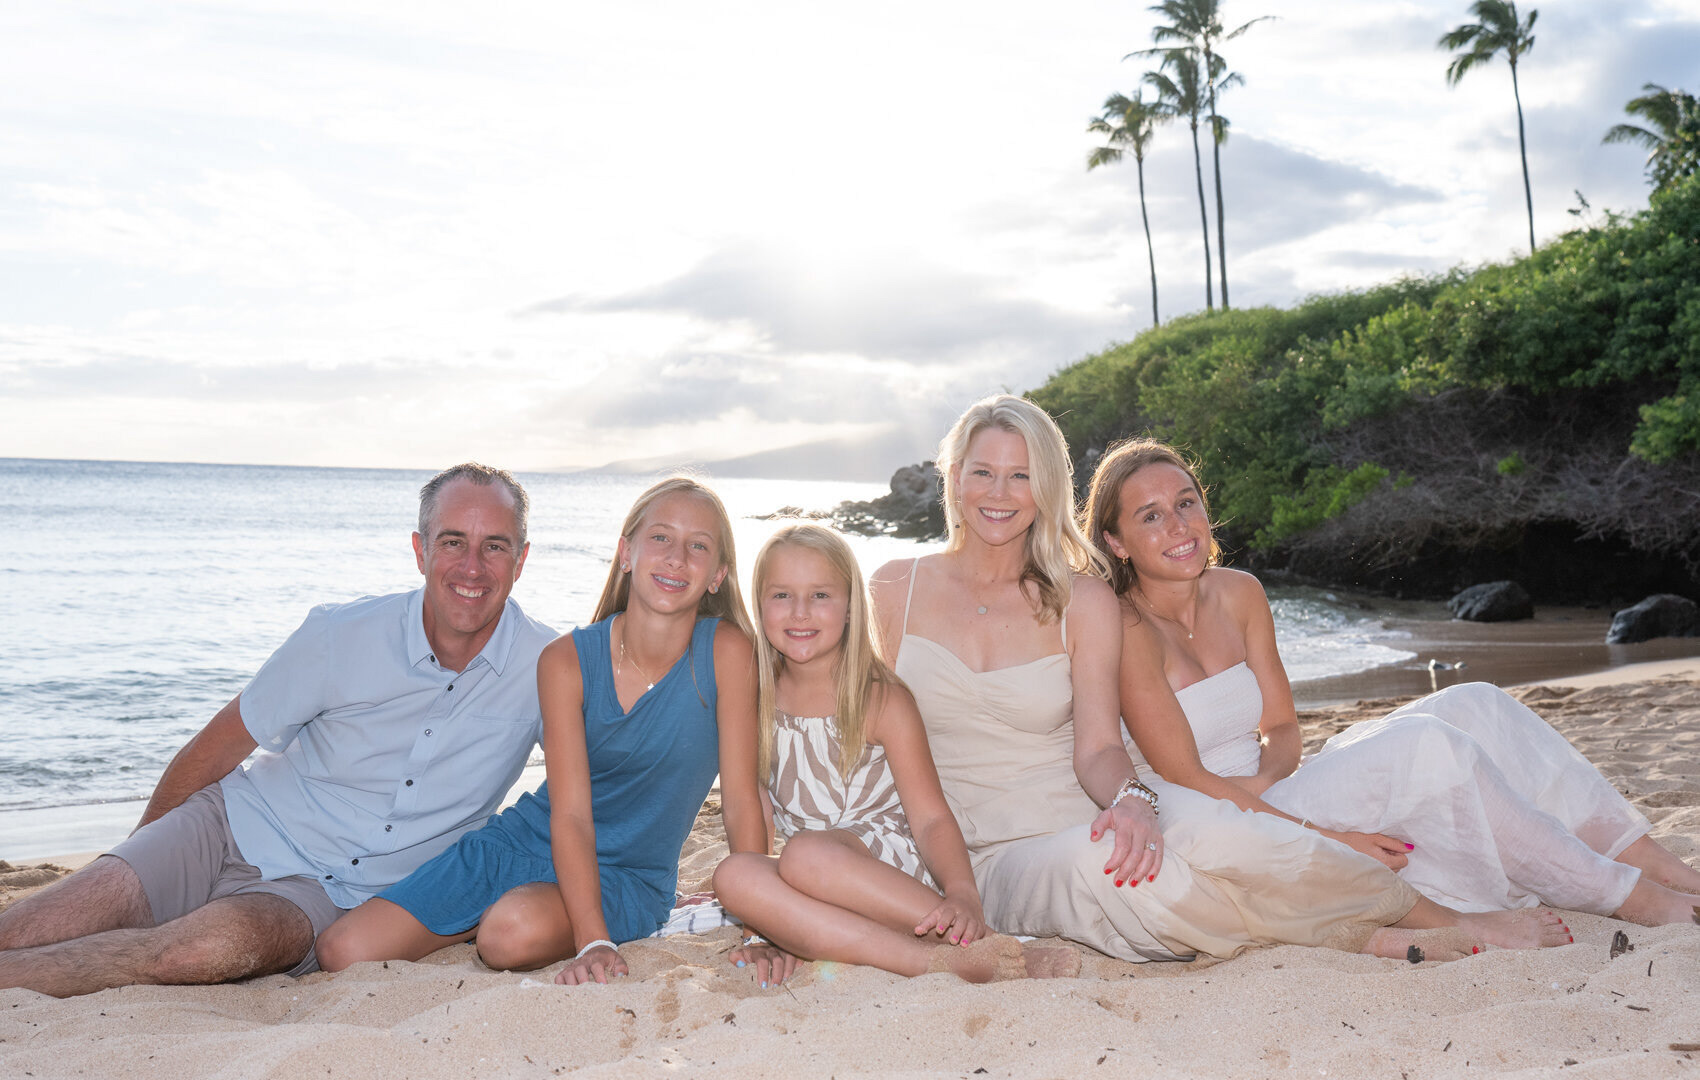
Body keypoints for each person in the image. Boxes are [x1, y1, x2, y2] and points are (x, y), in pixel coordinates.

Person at [869, 394, 1572, 964]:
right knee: (1129, 876)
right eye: (981, 471)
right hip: (986, 856)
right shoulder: (892, 589)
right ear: (952, 476)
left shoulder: (1080, 600)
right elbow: (861, 740)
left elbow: (1096, 748)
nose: (999, 492)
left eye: (1020, 474)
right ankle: (1360, 934)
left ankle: (1438, 917)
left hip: (1092, 810)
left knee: (1222, 828)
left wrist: (1136, 799)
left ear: (1046, 487)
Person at [1084, 437, 1700, 927]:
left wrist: (1270, 777)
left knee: (1475, 703)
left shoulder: (1240, 592)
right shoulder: (1128, 629)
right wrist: (1327, 836)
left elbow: (1281, 727)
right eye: (1152, 516)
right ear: (1116, 541)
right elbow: (1187, 776)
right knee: (1424, 744)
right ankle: (1620, 894)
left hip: (1278, 791)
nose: (1180, 525)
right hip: (1220, 822)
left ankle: (1649, 858)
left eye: (1186, 502)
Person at [0, 463, 555, 997]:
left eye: (495, 545)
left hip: (327, 898)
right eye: (453, 541)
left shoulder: (549, 668)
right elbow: (215, 748)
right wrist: (143, 855)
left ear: (522, 559)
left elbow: (602, 787)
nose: (472, 567)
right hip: (227, 825)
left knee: (192, 953)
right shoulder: (340, 635)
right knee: (29, 928)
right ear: (421, 550)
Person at [315, 477, 771, 985]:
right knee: (343, 950)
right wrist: (595, 940)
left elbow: (741, 799)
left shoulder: (728, 654)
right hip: (525, 841)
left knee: (507, 935)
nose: (676, 557)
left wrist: (759, 928)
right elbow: (571, 814)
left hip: (627, 877)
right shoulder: (565, 660)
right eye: (661, 537)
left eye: (698, 546)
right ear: (626, 553)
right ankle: (483, 914)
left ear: (718, 574)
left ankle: (523, 915)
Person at [713, 524, 1077, 982]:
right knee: (733, 876)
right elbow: (751, 805)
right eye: (782, 595)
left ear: (850, 608)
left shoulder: (879, 699)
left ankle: (979, 943)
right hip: (810, 879)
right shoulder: (757, 695)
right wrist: (758, 931)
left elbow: (930, 818)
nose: (800, 612)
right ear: (759, 604)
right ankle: (931, 962)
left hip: (887, 874)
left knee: (806, 856)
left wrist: (962, 893)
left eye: (821, 596)